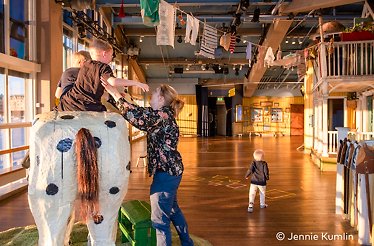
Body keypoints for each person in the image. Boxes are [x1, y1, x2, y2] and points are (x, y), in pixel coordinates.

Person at [101, 80, 194, 246]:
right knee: (172, 210)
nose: (151, 95)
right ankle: (188, 243)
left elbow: (137, 117)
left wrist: (115, 94)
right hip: (172, 171)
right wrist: (114, 97)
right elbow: (138, 111)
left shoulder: (162, 115)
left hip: (166, 174)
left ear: (161, 99)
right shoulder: (160, 114)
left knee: (159, 220)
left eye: (155, 93)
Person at [57, 39, 148, 112]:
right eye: (111, 55)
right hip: (86, 106)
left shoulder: (85, 65)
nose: (112, 59)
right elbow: (113, 81)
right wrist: (136, 83)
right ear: (104, 54)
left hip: (68, 103)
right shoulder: (103, 67)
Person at [245, 149, 269, 213]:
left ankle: (250, 206)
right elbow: (266, 172)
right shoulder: (264, 163)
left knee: (252, 194)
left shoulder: (253, 163)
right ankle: (262, 204)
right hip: (262, 182)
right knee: (262, 193)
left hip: (253, 182)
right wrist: (267, 178)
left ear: (254, 157)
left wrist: (246, 175)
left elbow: (250, 170)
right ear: (263, 157)